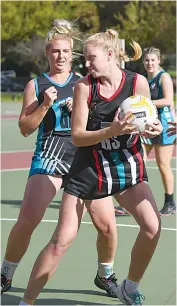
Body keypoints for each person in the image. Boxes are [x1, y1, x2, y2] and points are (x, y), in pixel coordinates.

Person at [19, 29, 163, 306]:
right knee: (62, 240)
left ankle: (129, 289)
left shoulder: (138, 84)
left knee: (152, 226)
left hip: (125, 164)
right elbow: (77, 136)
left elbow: (146, 125)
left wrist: (152, 129)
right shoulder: (85, 87)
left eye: (91, 58)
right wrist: (112, 130)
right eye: (84, 59)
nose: (86, 65)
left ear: (110, 56)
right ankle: (27, 301)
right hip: (90, 169)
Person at [1, 19, 120, 299]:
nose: (61, 56)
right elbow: (25, 127)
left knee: (106, 224)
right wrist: (45, 104)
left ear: (72, 54)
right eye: (56, 51)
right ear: (47, 53)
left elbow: (101, 118)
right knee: (29, 217)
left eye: (66, 51)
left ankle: (105, 275)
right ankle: (6, 272)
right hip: (50, 155)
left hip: (86, 156)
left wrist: (80, 106)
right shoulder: (37, 84)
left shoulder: (86, 83)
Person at [141, 47, 176, 216]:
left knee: (163, 165)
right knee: (138, 160)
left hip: (165, 124)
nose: (150, 63)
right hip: (148, 124)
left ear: (159, 60)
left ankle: (170, 202)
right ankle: (132, 200)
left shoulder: (164, 77)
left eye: (153, 60)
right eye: (147, 60)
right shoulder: (145, 79)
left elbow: (168, 100)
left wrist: (147, 103)